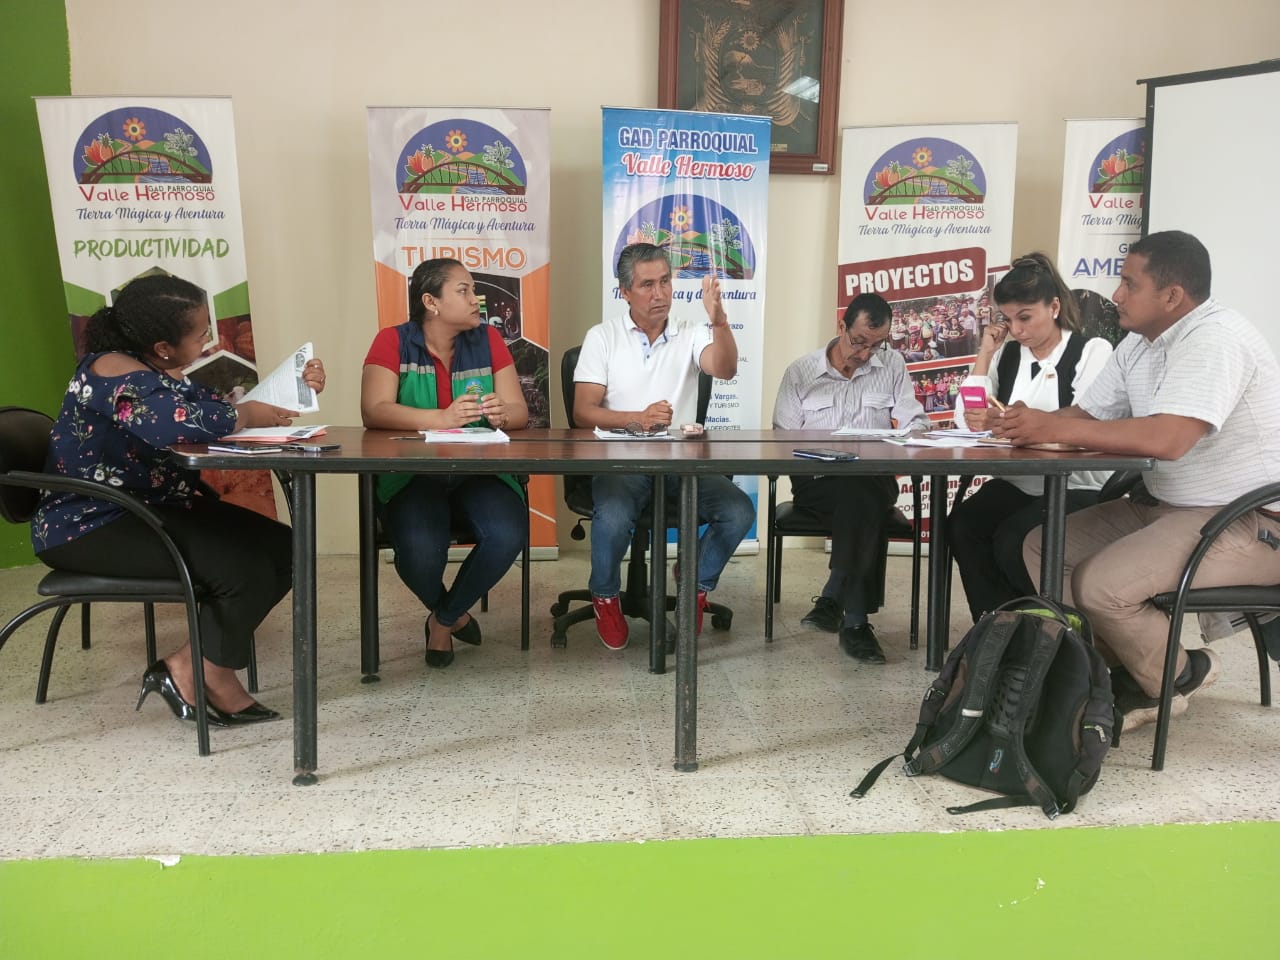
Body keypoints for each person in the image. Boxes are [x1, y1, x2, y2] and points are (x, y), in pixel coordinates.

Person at [996, 231, 1280, 732]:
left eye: (1130, 284)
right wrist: (1026, 424)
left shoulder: (1214, 339)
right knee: (1044, 547)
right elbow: (1087, 415)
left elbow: (1169, 438)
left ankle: (1179, 676)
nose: (1117, 295)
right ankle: (1120, 672)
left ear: (1172, 296)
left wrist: (1053, 428)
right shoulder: (1140, 345)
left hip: (1248, 520)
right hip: (1170, 505)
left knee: (1100, 585)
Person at [30, 274, 325, 727]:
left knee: (288, 548)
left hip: (147, 506)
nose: (208, 340)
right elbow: (176, 423)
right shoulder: (112, 370)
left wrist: (293, 388)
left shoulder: (150, 368)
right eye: (202, 333)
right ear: (164, 346)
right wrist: (244, 414)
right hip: (89, 523)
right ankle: (206, 673)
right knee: (242, 569)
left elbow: (209, 406)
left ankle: (190, 665)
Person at [573, 242, 755, 650]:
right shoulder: (602, 337)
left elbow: (725, 369)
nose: (660, 293)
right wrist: (635, 419)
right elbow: (584, 411)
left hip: (680, 462)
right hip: (620, 460)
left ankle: (694, 584)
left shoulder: (691, 332)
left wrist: (719, 320)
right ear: (625, 291)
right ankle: (605, 595)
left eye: (666, 281)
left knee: (738, 511)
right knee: (614, 516)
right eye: (647, 285)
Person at [361, 257, 529, 668]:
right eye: (464, 290)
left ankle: (443, 620)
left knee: (508, 533)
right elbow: (374, 409)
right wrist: (440, 419)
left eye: (474, 291)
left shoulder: (489, 339)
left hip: (479, 471)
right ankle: (453, 613)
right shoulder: (392, 341)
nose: (476, 300)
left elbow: (519, 412)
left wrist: (502, 414)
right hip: (414, 474)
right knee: (420, 552)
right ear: (431, 302)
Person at [949, 253, 1113, 621]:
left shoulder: (1090, 352)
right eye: (1008, 320)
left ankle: (1047, 629)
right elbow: (965, 418)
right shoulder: (1008, 355)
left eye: (1025, 317)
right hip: (1022, 482)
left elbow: (1091, 422)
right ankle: (996, 627)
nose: (1017, 330)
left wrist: (1010, 424)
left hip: (1077, 485)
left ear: (1054, 307)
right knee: (963, 525)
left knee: (1015, 540)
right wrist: (985, 353)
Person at [772, 292, 929, 663]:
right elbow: (782, 439)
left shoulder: (892, 365)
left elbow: (916, 421)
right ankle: (855, 623)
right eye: (859, 342)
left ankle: (835, 596)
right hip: (817, 482)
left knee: (861, 491)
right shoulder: (801, 372)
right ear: (841, 326)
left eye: (877, 344)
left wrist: (911, 434)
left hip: (873, 478)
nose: (866, 353)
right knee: (861, 501)